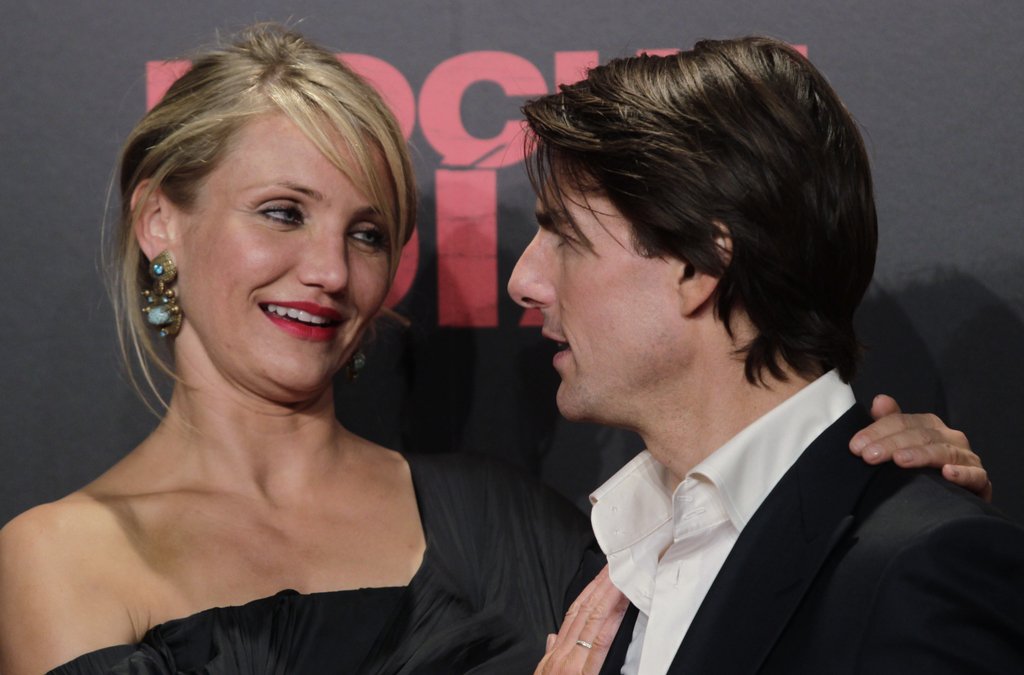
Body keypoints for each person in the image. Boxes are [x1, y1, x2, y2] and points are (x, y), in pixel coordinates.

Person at [0, 26, 988, 675]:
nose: (331, 272)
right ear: (159, 221)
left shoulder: (532, 526)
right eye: (281, 212)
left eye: (367, 233)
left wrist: (845, 483)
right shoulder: (59, 560)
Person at [510, 36, 1024, 675]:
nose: (523, 282)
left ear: (700, 265)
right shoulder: (617, 563)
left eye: (565, 236)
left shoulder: (924, 567)